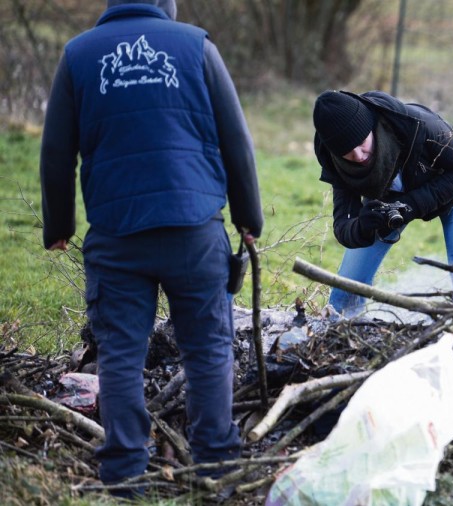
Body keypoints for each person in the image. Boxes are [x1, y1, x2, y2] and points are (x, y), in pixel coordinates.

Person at [39, 0, 263, 493]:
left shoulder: (78, 55)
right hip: (194, 230)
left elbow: (56, 150)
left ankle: (123, 473)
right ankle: (216, 469)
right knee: (206, 347)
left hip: (118, 235)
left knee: (120, 352)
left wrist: (58, 224)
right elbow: (236, 141)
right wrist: (248, 217)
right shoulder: (197, 46)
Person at [312, 90, 453, 318]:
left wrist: (408, 205)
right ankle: (343, 334)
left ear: (372, 127)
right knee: (347, 282)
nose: (358, 156)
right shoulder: (336, 163)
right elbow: (343, 226)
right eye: (347, 153)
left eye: (361, 143)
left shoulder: (418, 123)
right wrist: (363, 226)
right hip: (391, 201)